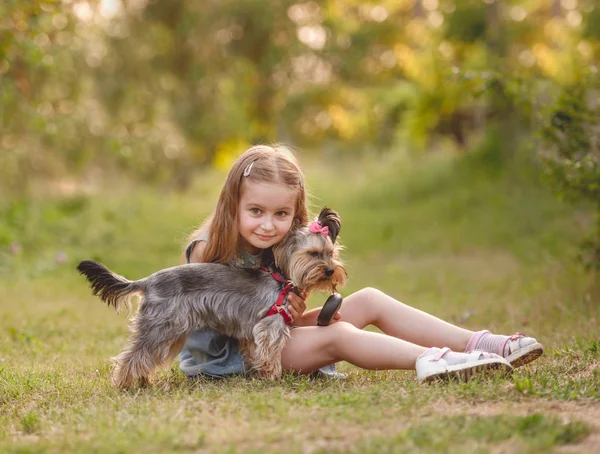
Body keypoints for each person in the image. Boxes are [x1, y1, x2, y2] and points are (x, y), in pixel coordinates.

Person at [179, 144, 543, 382]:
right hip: (231, 359)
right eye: (255, 211)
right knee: (338, 335)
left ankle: (482, 344)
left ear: (295, 213)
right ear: (233, 205)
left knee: (368, 298)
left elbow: (279, 318)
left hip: (273, 337)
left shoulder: (285, 246)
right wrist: (293, 318)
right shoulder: (208, 250)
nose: (268, 224)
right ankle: (435, 360)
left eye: (282, 213)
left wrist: (300, 313)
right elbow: (231, 324)